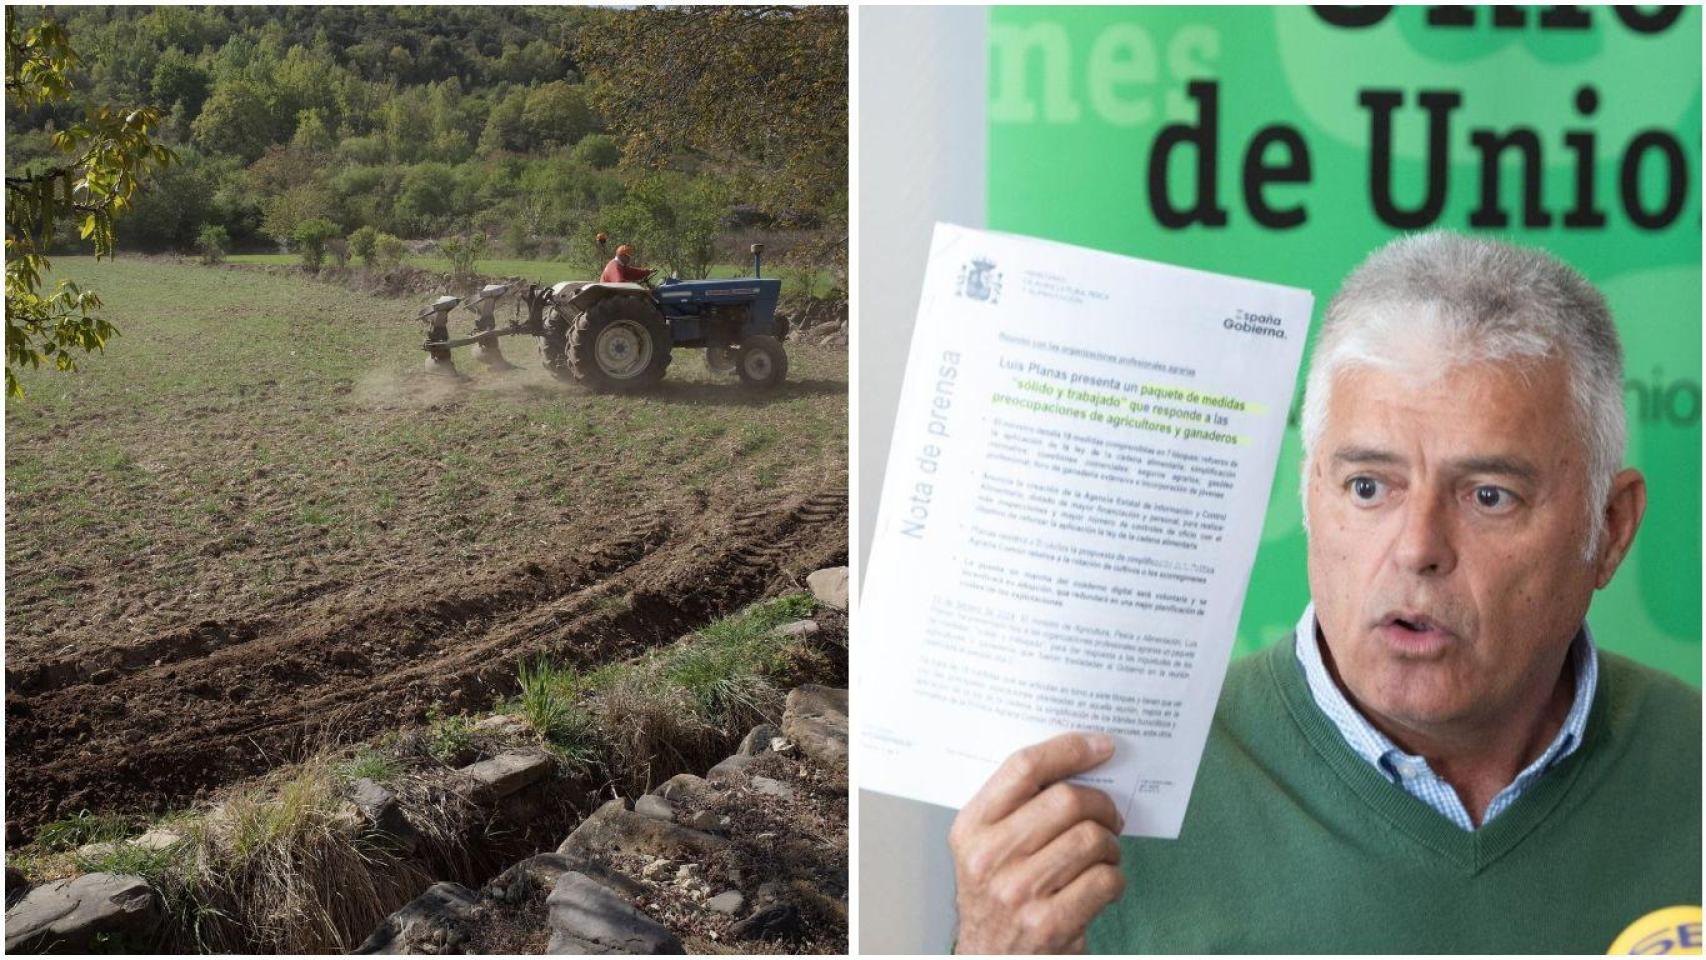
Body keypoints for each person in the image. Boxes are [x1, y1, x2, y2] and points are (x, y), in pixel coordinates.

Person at [947, 232, 1702, 953]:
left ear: (1608, 529)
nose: (1417, 549)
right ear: (1311, 497)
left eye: (1490, 496)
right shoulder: (1106, 806)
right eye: (1368, 486)